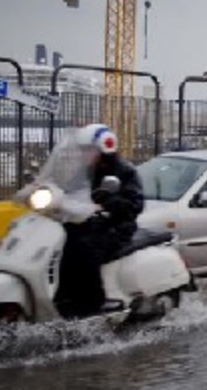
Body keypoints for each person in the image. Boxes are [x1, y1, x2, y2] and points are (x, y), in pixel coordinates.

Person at [55, 123, 144, 318]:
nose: (83, 154)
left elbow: (135, 204)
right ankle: (62, 298)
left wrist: (110, 202)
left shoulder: (124, 171)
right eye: (82, 150)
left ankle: (92, 306)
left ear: (105, 147)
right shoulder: (86, 170)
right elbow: (70, 190)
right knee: (60, 243)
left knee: (85, 250)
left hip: (117, 227)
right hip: (92, 223)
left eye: (88, 150)